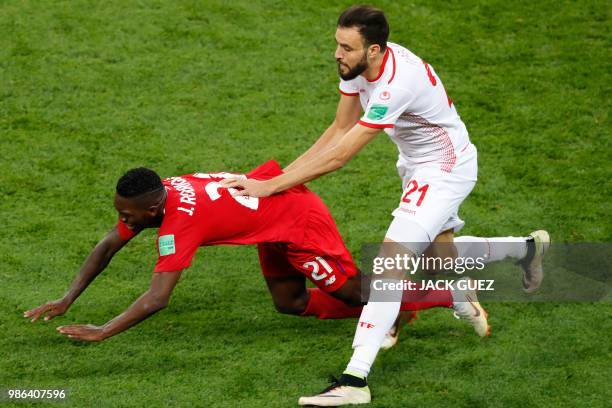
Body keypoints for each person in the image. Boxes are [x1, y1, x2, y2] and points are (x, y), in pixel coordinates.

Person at [219, 6, 549, 405]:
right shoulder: (359, 68)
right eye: (337, 44)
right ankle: (526, 249)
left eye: (346, 47)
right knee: (436, 262)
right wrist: (279, 182)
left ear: (374, 50)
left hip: (444, 170)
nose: (337, 54)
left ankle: (355, 380)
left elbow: (341, 156)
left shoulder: (397, 84)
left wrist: (271, 187)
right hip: (415, 164)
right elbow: (339, 129)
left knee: (390, 263)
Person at [23, 161, 481, 343]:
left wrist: (102, 331)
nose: (124, 222)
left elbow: (158, 297)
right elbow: (108, 246)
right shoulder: (155, 197)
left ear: (153, 207)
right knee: (290, 304)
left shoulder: (179, 222)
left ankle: (448, 297)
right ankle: (395, 312)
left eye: (129, 215)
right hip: (269, 222)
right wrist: (67, 298)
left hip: (298, 220)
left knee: (351, 291)